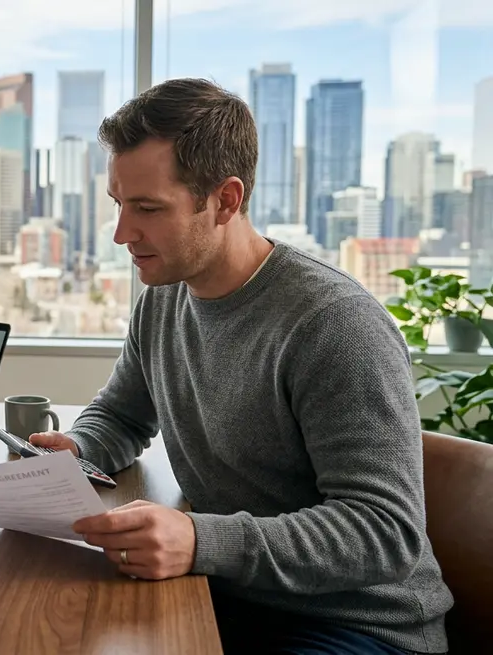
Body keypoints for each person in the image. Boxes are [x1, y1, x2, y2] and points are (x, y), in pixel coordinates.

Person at [28, 79, 453, 654]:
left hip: (358, 627)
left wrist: (201, 540)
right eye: (119, 204)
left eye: (148, 209)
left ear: (226, 200)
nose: (122, 234)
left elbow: (384, 532)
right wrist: (79, 449)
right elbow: (121, 415)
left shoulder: (335, 325)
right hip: (228, 594)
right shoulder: (163, 298)